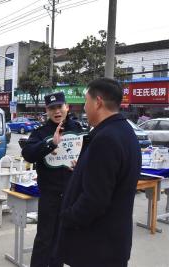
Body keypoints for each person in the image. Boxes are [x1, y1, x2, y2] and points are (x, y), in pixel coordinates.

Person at [57, 78, 141, 267]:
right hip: (112, 243)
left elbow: (95, 200)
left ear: (98, 102)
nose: (85, 108)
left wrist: (68, 217)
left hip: (97, 247)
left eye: (86, 102)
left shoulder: (106, 139)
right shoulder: (125, 131)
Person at [22, 92, 83, 267]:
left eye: (60, 107)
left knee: (63, 239)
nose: (57, 111)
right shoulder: (40, 133)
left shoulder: (78, 129)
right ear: (47, 111)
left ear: (67, 107)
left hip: (72, 194)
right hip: (49, 195)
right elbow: (28, 154)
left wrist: (81, 163)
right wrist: (51, 144)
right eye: (52, 108)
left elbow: (90, 154)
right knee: (44, 239)